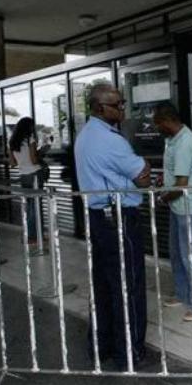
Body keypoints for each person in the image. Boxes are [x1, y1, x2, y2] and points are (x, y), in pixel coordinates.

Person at [74, 83, 151, 369]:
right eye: (116, 104)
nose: (122, 108)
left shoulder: (85, 135)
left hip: (98, 218)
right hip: (119, 219)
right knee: (127, 287)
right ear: (98, 108)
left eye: (122, 102)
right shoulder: (111, 140)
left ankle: (101, 347)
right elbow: (142, 176)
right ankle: (129, 352)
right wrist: (141, 168)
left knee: (104, 286)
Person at [153, 103, 192, 321]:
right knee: (177, 255)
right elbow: (173, 172)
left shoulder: (185, 142)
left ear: (168, 121)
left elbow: (181, 184)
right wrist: (163, 180)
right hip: (178, 207)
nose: (156, 128)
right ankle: (182, 293)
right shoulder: (171, 140)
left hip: (191, 208)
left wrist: (162, 197)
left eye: (158, 123)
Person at [9, 117, 45, 245]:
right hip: (34, 173)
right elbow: (34, 160)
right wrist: (41, 153)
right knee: (35, 207)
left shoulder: (13, 142)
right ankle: (33, 236)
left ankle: (33, 235)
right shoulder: (30, 139)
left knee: (29, 206)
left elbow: (12, 163)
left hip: (23, 175)